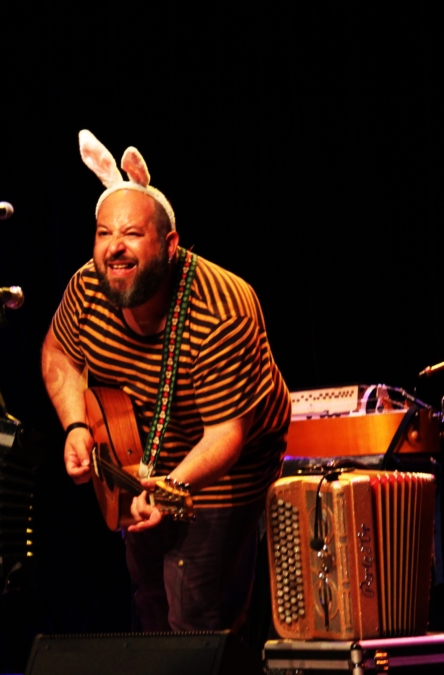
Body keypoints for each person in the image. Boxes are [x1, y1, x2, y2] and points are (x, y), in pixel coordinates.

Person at [41, 130, 290, 633]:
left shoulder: (220, 309)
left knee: (197, 612)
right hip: (144, 456)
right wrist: (74, 426)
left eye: (132, 234)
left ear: (170, 244)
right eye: (104, 233)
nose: (114, 248)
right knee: (152, 603)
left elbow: (226, 435)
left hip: (224, 466)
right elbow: (59, 353)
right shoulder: (88, 286)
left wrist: (173, 485)